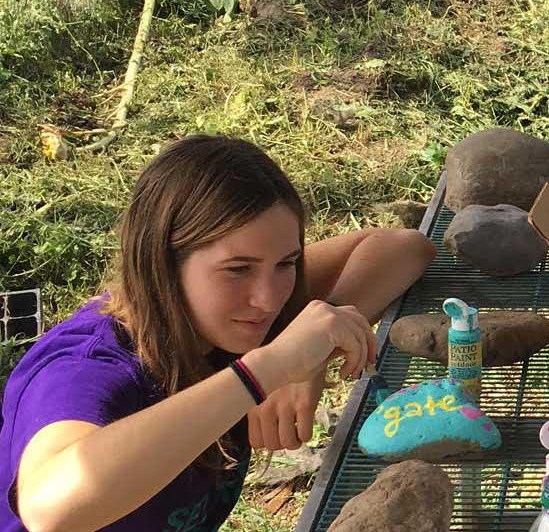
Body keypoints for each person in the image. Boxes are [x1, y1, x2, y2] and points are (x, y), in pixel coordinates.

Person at [1, 135, 437, 532]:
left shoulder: (232, 315)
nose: (269, 299)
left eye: (286, 263)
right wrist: (267, 368)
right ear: (162, 263)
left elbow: (402, 248)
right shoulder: (86, 367)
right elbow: (49, 509)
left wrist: (312, 358)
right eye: (238, 269)